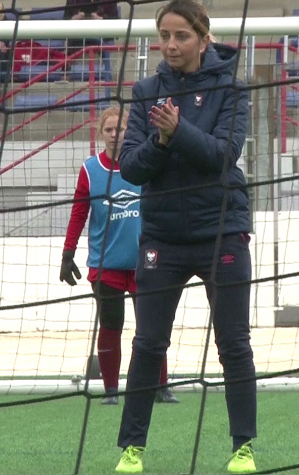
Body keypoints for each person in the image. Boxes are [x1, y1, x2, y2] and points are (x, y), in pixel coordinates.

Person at [113, 0, 256, 474]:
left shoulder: (233, 88)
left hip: (222, 231)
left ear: (203, 39)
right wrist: (161, 140)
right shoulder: (147, 90)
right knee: (148, 344)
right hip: (163, 236)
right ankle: (132, 450)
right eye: (165, 35)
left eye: (181, 36)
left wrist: (178, 130)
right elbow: (130, 166)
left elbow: (223, 155)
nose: (170, 45)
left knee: (233, 344)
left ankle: (243, 448)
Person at [60, 107, 178, 407]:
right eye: (109, 130)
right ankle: (111, 391)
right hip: (106, 265)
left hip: (145, 260)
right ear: (101, 134)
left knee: (151, 326)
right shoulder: (90, 170)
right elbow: (79, 212)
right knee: (111, 323)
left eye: (121, 129)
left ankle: (161, 386)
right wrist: (68, 252)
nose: (115, 135)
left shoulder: (144, 162)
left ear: (130, 131)